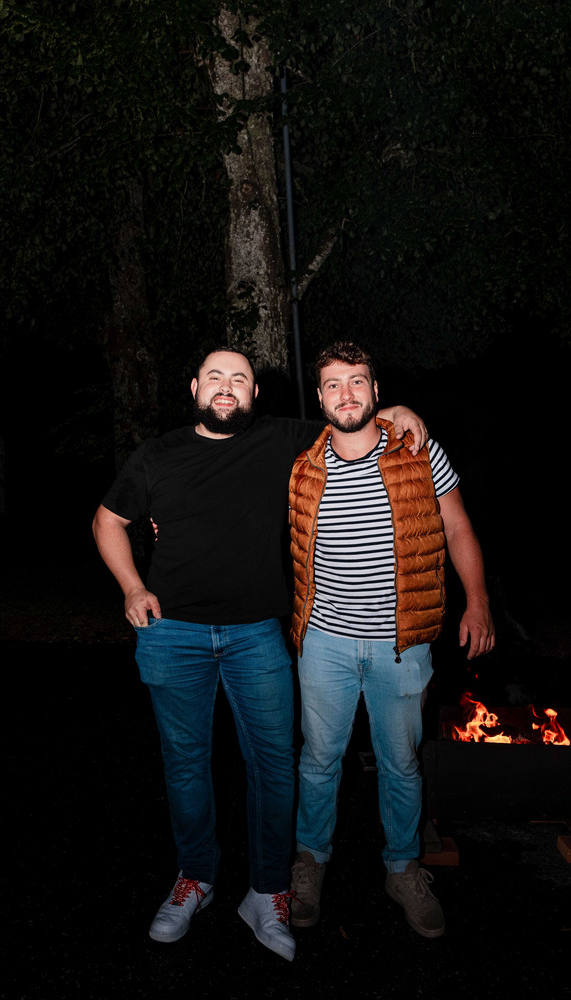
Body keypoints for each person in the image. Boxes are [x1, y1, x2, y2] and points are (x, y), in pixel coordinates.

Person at [91, 345, 427, 961]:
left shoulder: (280, 439)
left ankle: (268, 890)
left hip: (256, 634)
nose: (226, 386)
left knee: (274, 765)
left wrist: (398, 410)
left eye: (239, 378)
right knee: (186, 763)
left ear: (253, 393)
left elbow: (349, 414)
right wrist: (133, 588)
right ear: (195, 388)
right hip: (173, 632)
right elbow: (106, 521)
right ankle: (195, 877)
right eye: (214, 376)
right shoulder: (156, 454)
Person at [288, 341, 495, 939]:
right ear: (320, 396)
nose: (346, 393)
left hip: (401, 644)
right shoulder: (302, 464)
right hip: (323, 642)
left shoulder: (417, 451)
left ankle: (402, 869)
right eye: (333, 383)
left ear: (376, 391)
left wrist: (478, 601)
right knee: (319, 761)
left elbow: (458, 526)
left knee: (401, 763)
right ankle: (310, 862)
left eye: (357, 381)